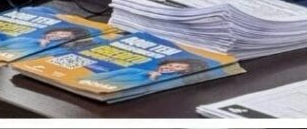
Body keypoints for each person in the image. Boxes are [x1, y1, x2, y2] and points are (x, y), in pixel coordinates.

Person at [78, 57, 209, 91]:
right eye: (169, 64)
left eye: (177, 67)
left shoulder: (172, 83)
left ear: (183, 71)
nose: (170, 67)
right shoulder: (136, 70)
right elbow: (97, 77)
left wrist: (152, 80)